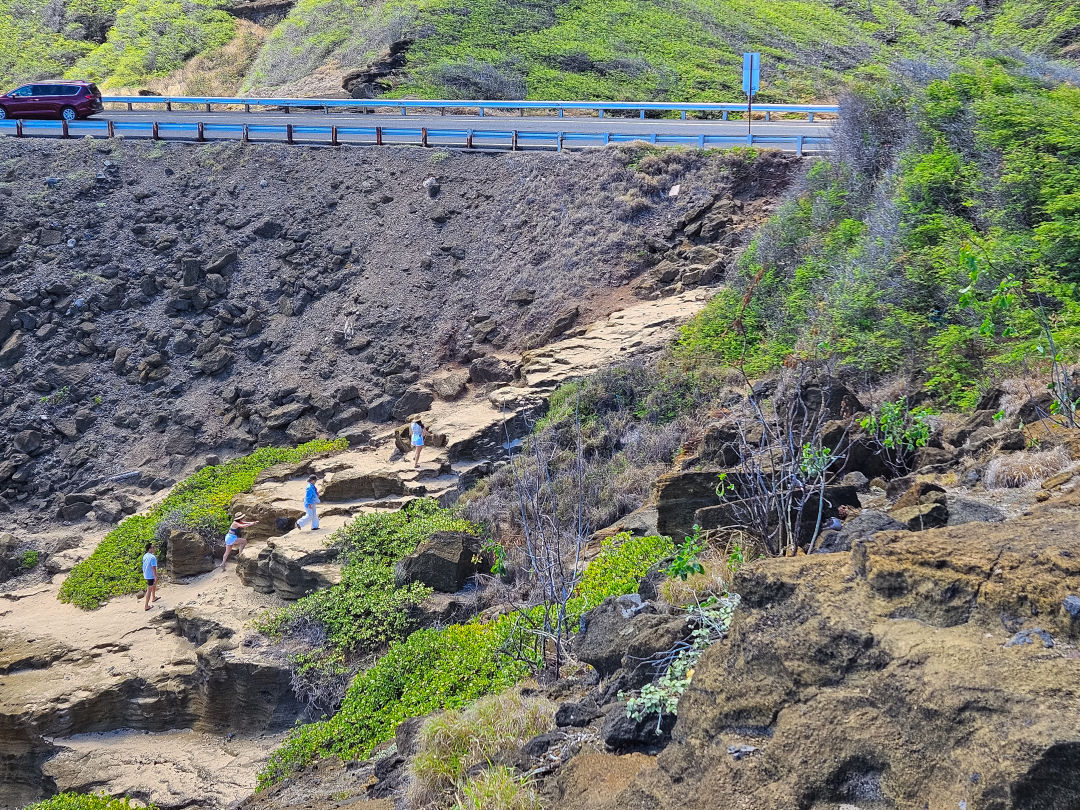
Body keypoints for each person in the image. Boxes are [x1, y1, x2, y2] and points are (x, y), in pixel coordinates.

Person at [142, 542, 159, 611]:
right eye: (153, 547)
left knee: (154, 585)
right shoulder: (152, 557)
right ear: (149, 549)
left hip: (146, 574)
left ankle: (154, 597)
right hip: (150, 575)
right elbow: (153, 567)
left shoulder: (145, 555)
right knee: (149, 589)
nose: (154, 549)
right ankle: (146, 605)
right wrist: (155, 576)